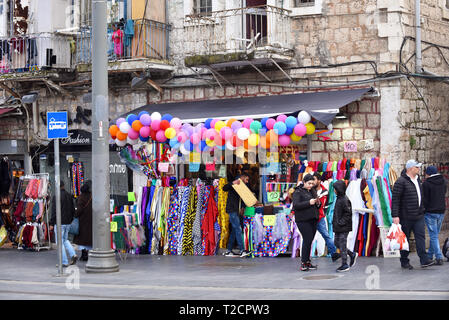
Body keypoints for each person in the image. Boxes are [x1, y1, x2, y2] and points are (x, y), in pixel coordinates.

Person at [391, 159, 435, 269]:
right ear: (410, 168)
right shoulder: (400, 181)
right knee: (404, 240)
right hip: (406, 216)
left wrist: (422, 208)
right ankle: (404, 260)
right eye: (417, 167)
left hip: (418, 215)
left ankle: (424, 260)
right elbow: (395, 199)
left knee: (421, 237)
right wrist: (395, 216)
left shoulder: (418, 180)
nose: (419, 169)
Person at [292, 174, 320, 271]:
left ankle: (307, 262)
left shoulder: (312, 191)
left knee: (309, 241)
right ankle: (304, 262)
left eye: (312, 183)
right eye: (309, 183)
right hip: (303, 220)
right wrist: (309, 202)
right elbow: (296, 205)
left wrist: (317, 203)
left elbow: (315, 205)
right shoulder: (297, 192)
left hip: (313, 219)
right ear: (304, 182)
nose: (311, 185)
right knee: (307, 240)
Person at [312, 172, 340, 262]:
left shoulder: (325, 192)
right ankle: (306, 257)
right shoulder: (309, 190)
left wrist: (322, 213)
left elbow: (325, 205)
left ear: (319, 181)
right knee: (308, 238)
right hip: (310, 218)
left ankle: (333, 253)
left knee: (326, 236)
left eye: (314, 179)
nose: (312, 182)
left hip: (320, 218)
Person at [222, 172, 251, 258]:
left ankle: (229, 250)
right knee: (238, 229)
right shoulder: (234, 183)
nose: (247, 182)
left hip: (237, 210)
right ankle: (242, 250)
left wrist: (242, 207)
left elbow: (243, 198)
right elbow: (224, 188)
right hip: (232, 210)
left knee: (235, 231)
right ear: (242, 177)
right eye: (246, 179)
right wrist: (232, 183)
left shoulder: (243, 186)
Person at [423, 165, 447, 265]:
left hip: (430, 212)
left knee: (433, 235)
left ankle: (438, 257)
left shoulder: (426, 184)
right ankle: (430, 255)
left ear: (428, 174)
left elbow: (424, 199)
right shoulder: (444, 181)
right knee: (435, 235)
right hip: (441, 211)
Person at [50, 180, 77, 267]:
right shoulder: (69, 196)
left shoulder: (56, 196)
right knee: (65, 240)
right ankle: (73, 254)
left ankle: (64, 261)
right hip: (68, 223)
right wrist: (70, 219)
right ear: (63, 186)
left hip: (59, 223)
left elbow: (54, 211)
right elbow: (73, 210)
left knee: (60, 242)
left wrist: (51, 222)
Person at [332, 180, 358, 272]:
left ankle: (344, 264)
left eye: (335, 189)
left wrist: (340, 222)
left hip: (343, 227)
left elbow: (348, 213)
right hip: (339, 226)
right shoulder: (339, 198)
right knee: (337, 243)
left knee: (342, 244)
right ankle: (351, 254)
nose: (334, 190)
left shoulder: (344, 200)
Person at [74, 180, 92, 262]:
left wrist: (75, 215)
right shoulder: (92, 196)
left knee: (82, 238)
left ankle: (84, 254)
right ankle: (88, 252)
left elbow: (79, 210)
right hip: (91, 220)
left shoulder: (81, 197)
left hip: (83, 220)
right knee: (89, 237)